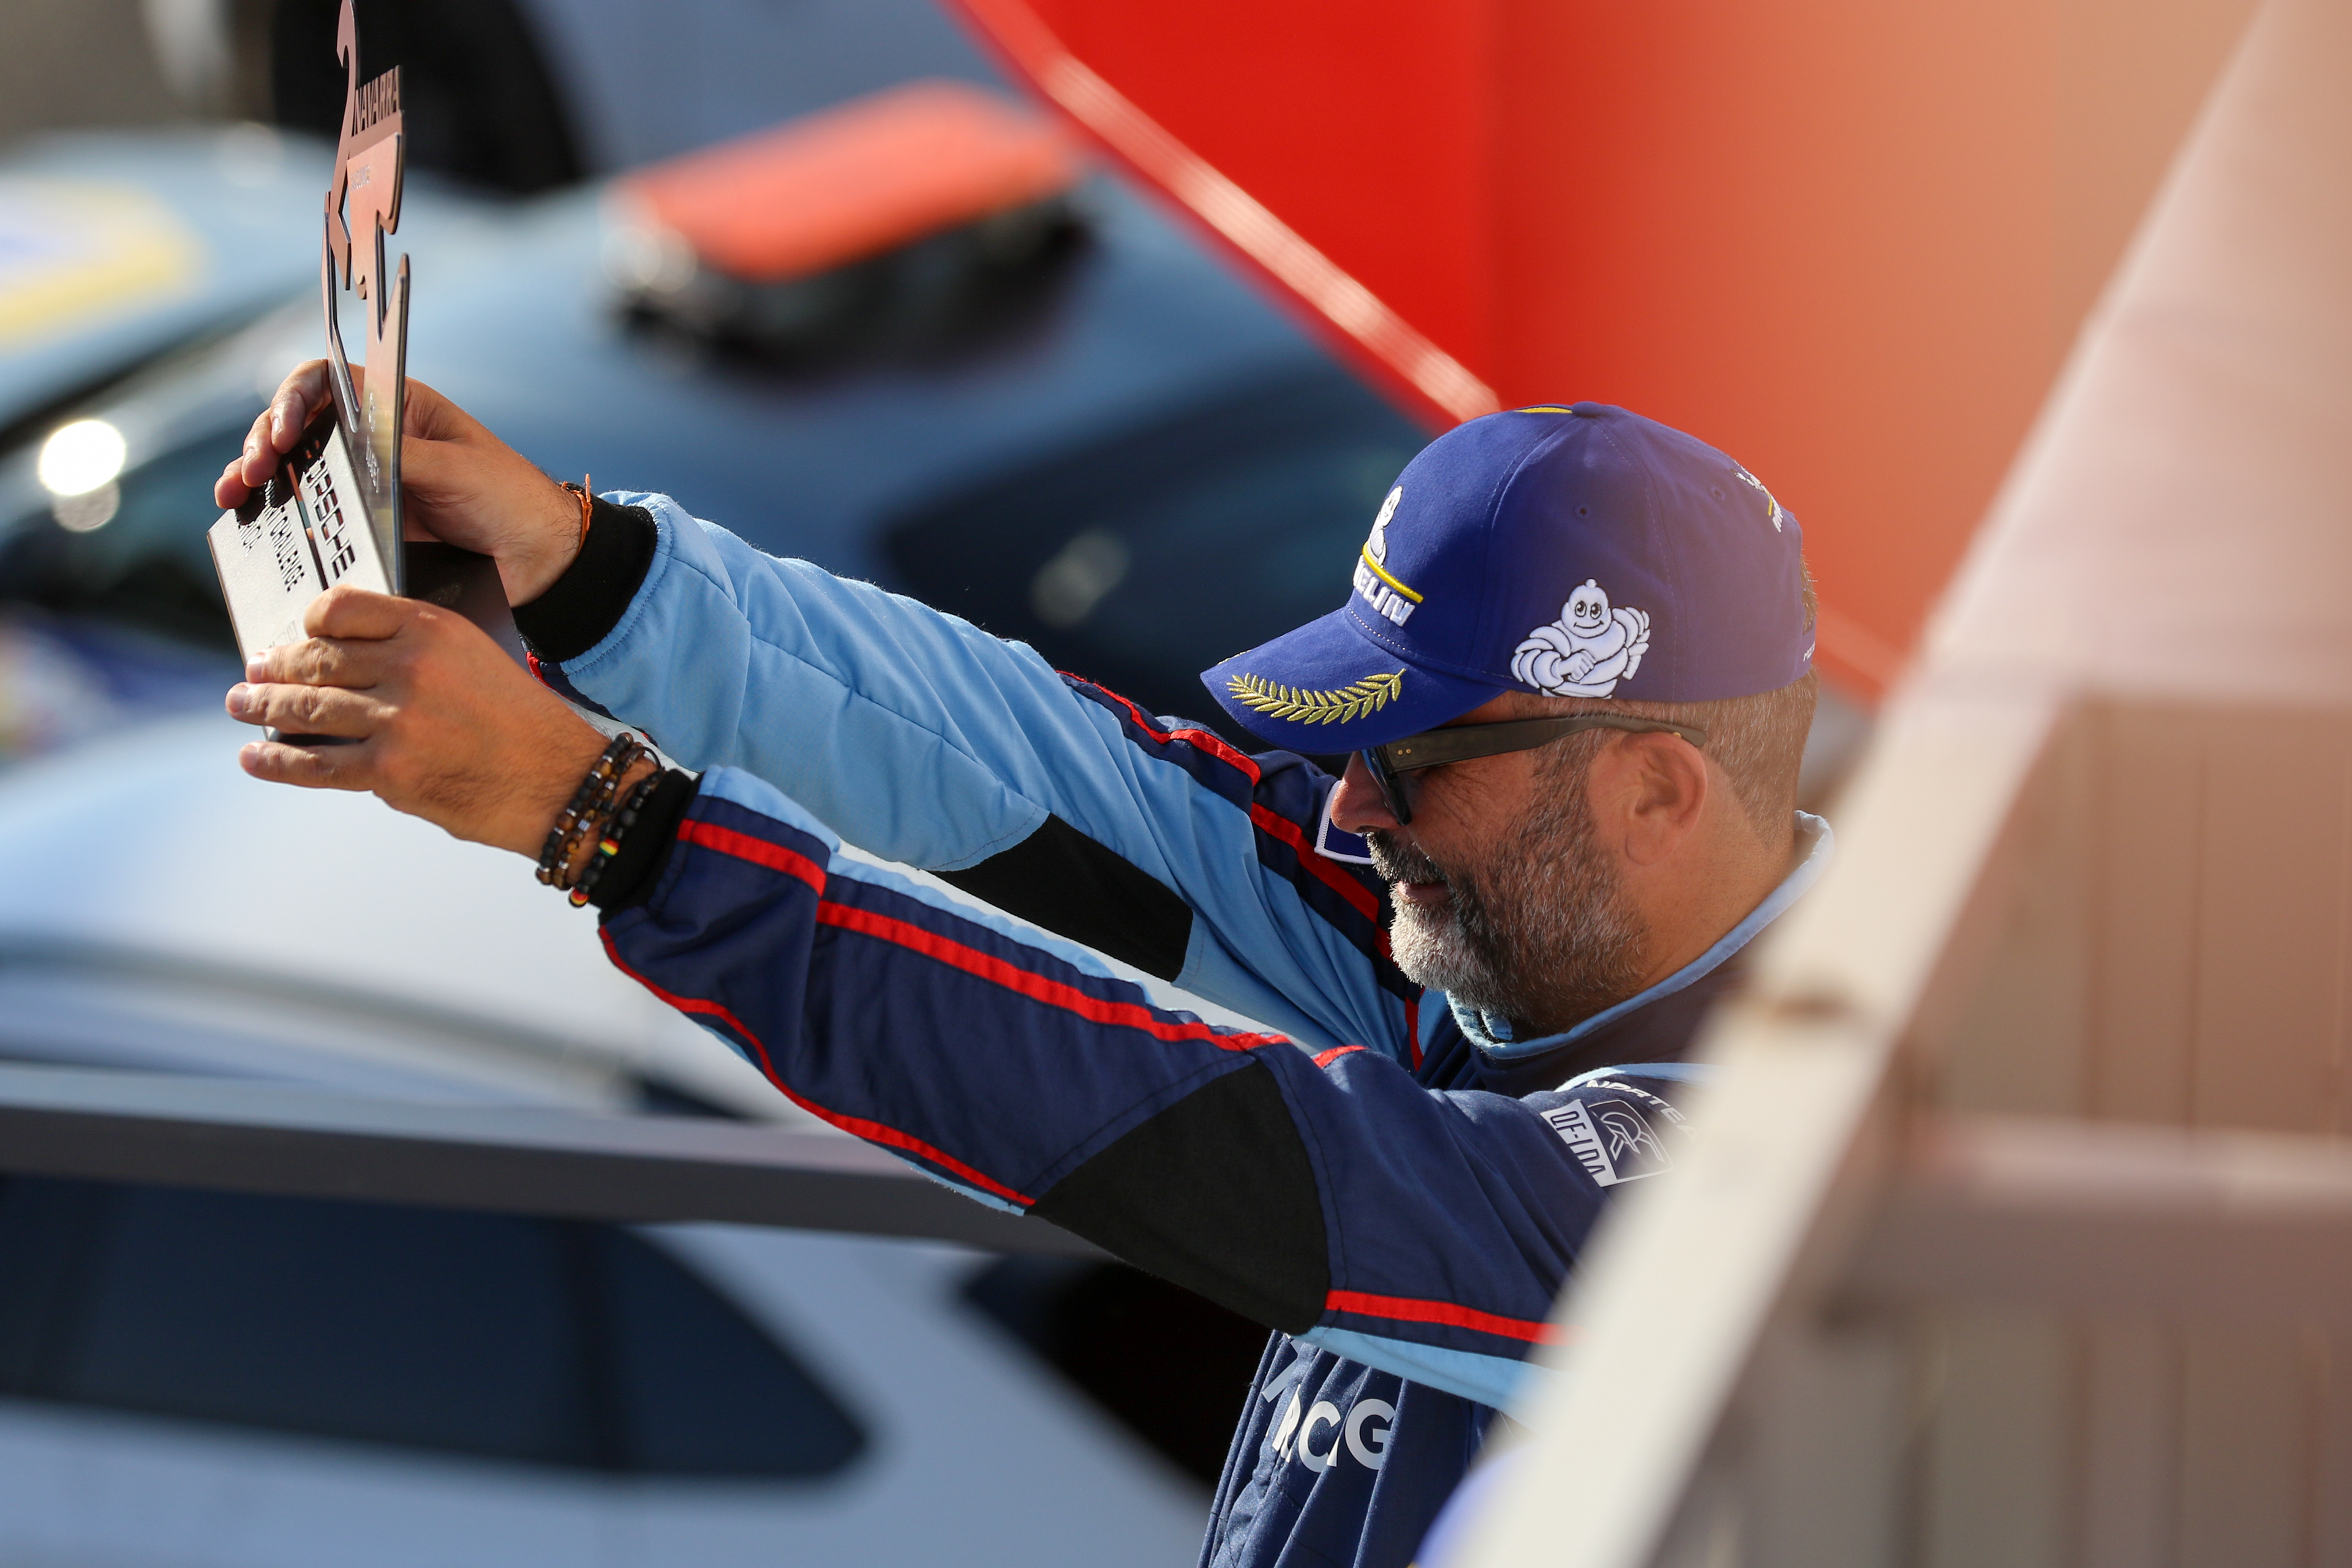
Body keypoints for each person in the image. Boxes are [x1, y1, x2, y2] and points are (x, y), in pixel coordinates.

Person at [215, 374, 1830, 1568]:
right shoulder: (1525, 961)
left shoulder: (1758, 1182)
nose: (1347, 816)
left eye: (1408, 761)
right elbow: (1039, 770)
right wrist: (579, 560)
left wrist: (604, 823)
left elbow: (1178, 1121)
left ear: (1653, 791)